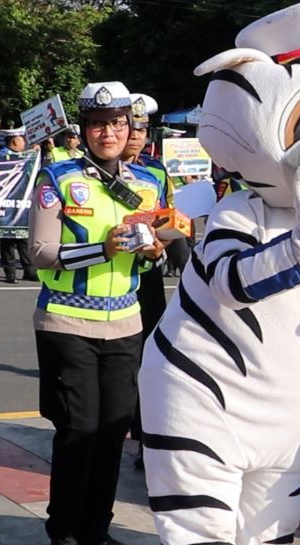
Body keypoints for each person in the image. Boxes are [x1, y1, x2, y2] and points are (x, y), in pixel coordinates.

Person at [29, 81, 166, 545]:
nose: (108, 132)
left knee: (112, 432)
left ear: (131, 128)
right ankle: (63, 532)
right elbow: (40, 255)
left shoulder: (148, 182)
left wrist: (152, 253)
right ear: (84, 129)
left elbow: (147, 262)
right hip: (67, 322)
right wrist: (100, 249)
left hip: (126, 325)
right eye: (97, 124)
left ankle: (96, 530)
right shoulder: (58, 177)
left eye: (117, 123)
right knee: (77, 429)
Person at [120, 92, 174, 470]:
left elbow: (171, 217)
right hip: (111, 274)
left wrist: (166, 236)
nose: (136, 136)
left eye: (142, 129)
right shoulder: (95, 170)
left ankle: (145, 437)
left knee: (150, 358)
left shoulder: (155, 172)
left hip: (148, 274)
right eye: (132, 128)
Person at [0, 126, 39, 283]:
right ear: (14, 140)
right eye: (22, 139)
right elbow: (15, 164)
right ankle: (10, 273)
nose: (24, 142)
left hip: (22, 202)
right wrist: (32, 153)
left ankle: (29, 270)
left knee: (23, 237)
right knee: (7, 238)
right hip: (6, 203)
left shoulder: (23, 155)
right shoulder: (4, 155)